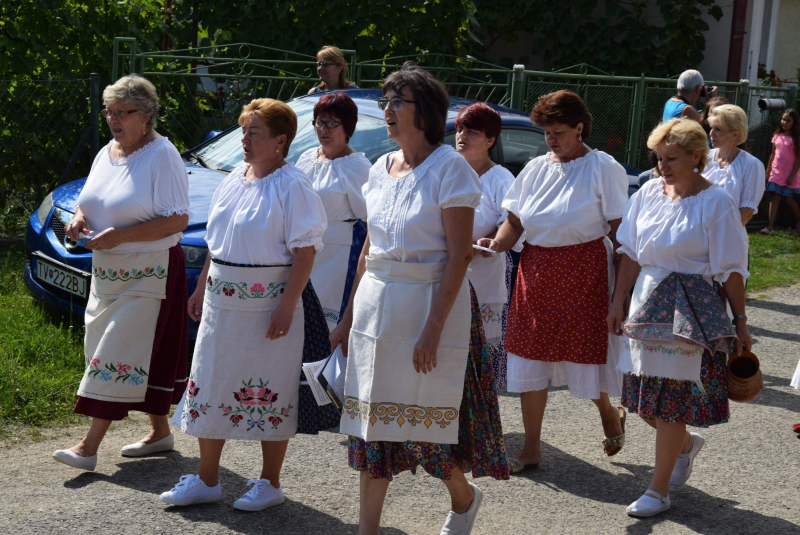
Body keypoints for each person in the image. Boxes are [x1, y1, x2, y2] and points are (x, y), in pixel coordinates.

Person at [330, 63, 509, 535]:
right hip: (377, 307)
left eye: (397, 102)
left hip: (432, 309)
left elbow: (457, 257)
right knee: (373, 422)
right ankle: (367, 528)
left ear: (424, 111)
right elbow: (370, 248)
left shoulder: (450, 169)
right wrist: (349, 319)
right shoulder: (379, 168)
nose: (387, 110)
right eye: (386, 101)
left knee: (426, 421)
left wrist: (433, 329)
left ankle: (464, 498)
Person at [161, 98, 338, 510]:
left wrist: (286, 307)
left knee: (270, 391)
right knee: (211, 382)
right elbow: (216, 243)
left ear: (280, 141)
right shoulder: (235, 179)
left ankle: (270, 483)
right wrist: (202, 286)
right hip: (222, 303)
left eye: (252, 132)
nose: (244, 139)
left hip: (268, 306)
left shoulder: (293, 185)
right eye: (243, 131)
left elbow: (306, 252)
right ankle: (207, 479)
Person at [608, 118, 752, 517]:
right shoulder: (649, 192)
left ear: (696, 157)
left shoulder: (717, 202)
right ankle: (685, 445)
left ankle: (658, 491)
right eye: (658, 158)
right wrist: (617, 302)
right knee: (643, 400)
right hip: (647, 301)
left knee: (670, 400)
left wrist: (740, 322)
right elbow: (632, 253)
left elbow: (731, 269)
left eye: (672, 158)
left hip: (692, 307)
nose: (663, 166)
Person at [479, 89, 629, 471]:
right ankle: (531, 447)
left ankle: (608, 412)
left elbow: (620, 231)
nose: (551, 139)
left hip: (585, 273)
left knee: (583, 356)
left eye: (558, 131)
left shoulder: (603, 167)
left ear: (580, 128)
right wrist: (494, 246)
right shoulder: (536, 168)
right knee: (530, 357)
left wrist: (623, 292)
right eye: (546, 132)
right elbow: (515, 221)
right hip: (537, 271)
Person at [52, 75, 190, 471]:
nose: (113, 120)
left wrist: (121, 235)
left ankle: (87, 448)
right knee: (117, 351)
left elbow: (178, 217)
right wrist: (79, 220)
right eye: (109, 112)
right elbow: (88, 201)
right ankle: (160, 432)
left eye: (122, 112)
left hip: (150, 270)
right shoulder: (108, 151)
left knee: (115, 353)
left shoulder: (162, 155)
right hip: (107, 272)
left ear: (146, 116)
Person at [454, 102, 517, 387]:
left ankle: (481, 416)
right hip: (448, 269)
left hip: (485, 272)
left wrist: (493, 240)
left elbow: (512, 221)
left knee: (481, 346)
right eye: (460, 129)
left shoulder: (500, 178)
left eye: (472, 131)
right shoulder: (449, 173)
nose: (462, 135)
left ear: (490, 140)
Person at [296, 93, 371, 329]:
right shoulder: (308, 157)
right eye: (319, 122)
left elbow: (372, 220)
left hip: (337, 257)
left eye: (331, 123)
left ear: (347, 127)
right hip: (301, 252)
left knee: (326, 325)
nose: (323, 129)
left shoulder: (356, 166)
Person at [703, 104, 766, 226]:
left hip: (726, 237)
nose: (711, 133)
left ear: (735, 134)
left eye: (718, 129)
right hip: (696, 233)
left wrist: (720, 236)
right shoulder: (704, 158)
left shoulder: (751, 165)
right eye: (711, 128)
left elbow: (746, 213)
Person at [762, 109, 800, 234]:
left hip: (790, 175)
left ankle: (799, 222)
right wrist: (768, 170)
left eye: (788, 120)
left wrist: (792, 175)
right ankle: (770, 226)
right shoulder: (777, 136)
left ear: (794, 122)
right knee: (775, 197)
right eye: (783, 119)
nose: (784, 122)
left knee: (789, 199)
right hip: (776, 173)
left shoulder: (796, 138)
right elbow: (773, 154)